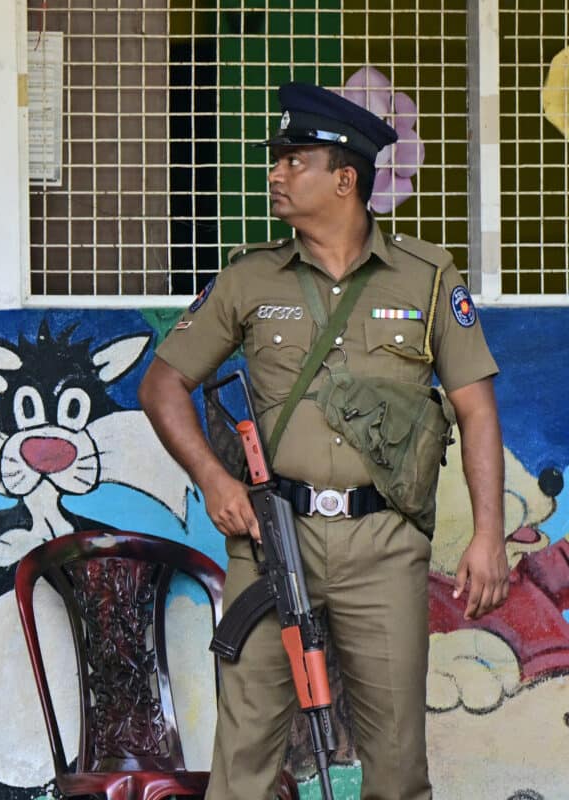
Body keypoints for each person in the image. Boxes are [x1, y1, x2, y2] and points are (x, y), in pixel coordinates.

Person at [138, 81, 508, 799]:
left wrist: (488, 535)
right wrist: (216, 482)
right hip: (274, 538)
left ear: (346, 178)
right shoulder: (249, 278)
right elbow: (161, 386)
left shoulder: (429, 278)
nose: (275, 174)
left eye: (293, 160)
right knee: (243, 759)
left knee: (397, 765)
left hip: (384, 544)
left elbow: (476, 409)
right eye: (277, 160)